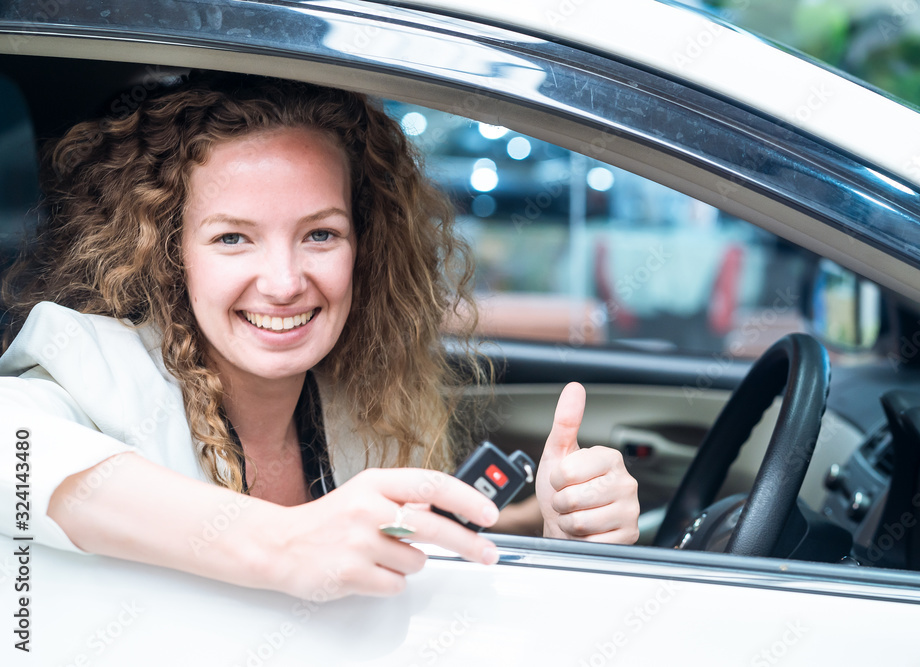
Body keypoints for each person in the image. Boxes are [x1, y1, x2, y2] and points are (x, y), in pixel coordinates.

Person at [0, 72, 639, 600]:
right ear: (174, 254)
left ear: (363, 246)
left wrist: (559, 539)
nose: (283, 282)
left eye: (320, 234)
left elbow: (401, 582)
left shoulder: (364, 405)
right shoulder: (100, 366)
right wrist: (278, 544)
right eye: (232, 238)